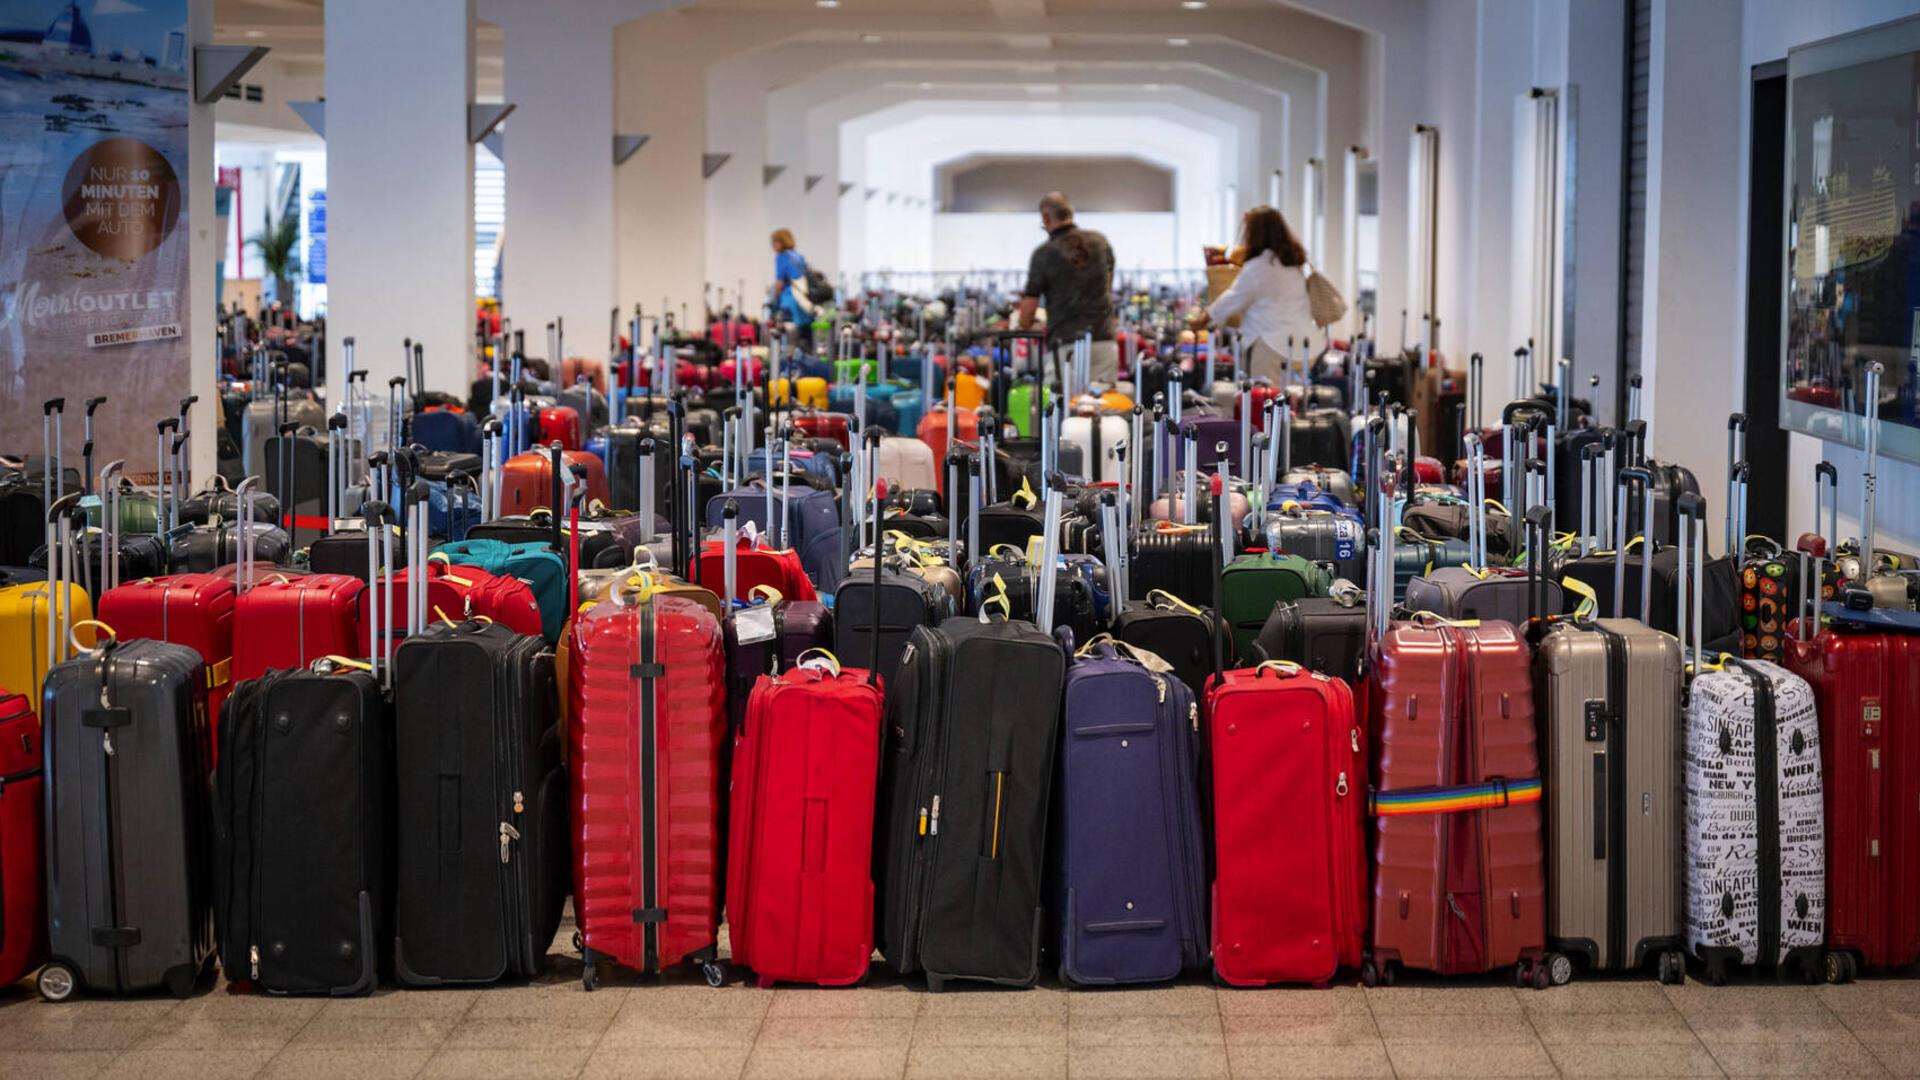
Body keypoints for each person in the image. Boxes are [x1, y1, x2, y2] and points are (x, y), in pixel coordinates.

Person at [1189, 205, 1315, 383]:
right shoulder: (1292, 264)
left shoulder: (1259, 266)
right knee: (1293, 401)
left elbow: (1232, 299)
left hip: (1269, 346)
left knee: (1264, 401)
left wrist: (1204, 317)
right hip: (1301, 345)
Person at [1016, 192, 1118, 387]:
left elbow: (1029, 306)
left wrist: (1025, 322)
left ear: (1046, 218)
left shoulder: (1044, 254)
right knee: (1103, 409)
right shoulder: (1100, 242)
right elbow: (1108, 285)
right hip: (1103, 339)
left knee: (1062, 411)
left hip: (1065, 345)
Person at [769, 228, 815, 346]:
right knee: (806, 334)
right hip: (803, 299)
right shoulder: (798, 256)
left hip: (790, 299)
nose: (772, 245)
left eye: (774, 242)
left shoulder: (782, 257)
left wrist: (773, 300)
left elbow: (780, 283)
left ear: (781, 242)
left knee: (790, 336)